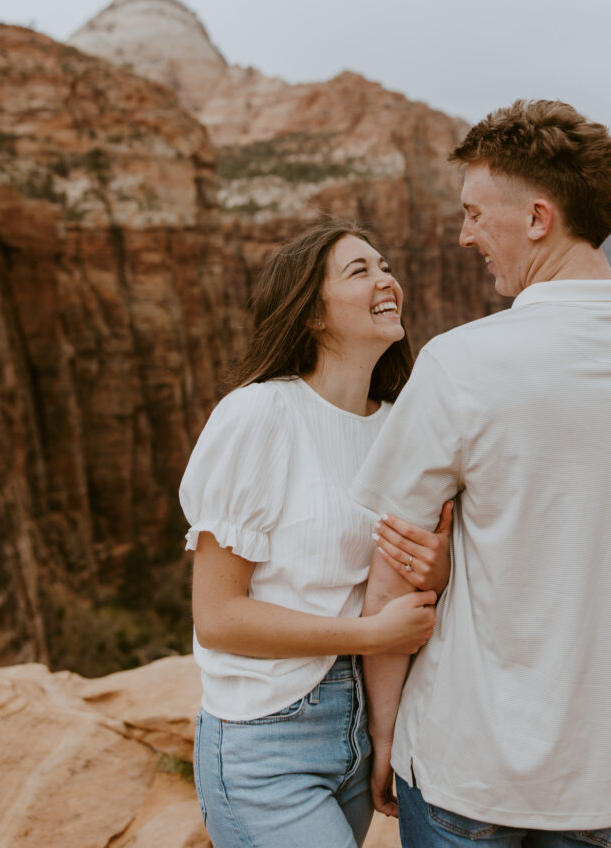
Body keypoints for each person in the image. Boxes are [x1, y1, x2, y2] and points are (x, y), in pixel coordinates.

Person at [352, 100, 611, 848]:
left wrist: (385, 732)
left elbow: (393, 570)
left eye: (474, 213)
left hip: (464, 774)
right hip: (600, 787)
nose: (465, 236)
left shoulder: (462, 364)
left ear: (537, 218)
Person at [179, 219, 454, 848]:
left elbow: (412, 575)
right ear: (312, 315)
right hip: (266, 740)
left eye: (386, 266)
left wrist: (436, 572)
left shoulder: (398, 425)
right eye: (360, 271)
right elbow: (217, 617)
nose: (387, 280)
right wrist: (367, 634)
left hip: (361, 729)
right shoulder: (259, 414)